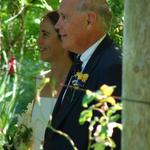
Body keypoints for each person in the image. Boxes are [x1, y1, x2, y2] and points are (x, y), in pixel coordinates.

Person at [44, 0, 122, 150]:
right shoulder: (81, 60)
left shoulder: (113, 68)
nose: (57, 25)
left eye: (64, 17)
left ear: (89, 20)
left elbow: (107, 142)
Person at [31, 11, 73, 150]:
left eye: (45, 34)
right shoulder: (40, 80)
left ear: (64, 37)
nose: (38, 41)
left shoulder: (78, 83)